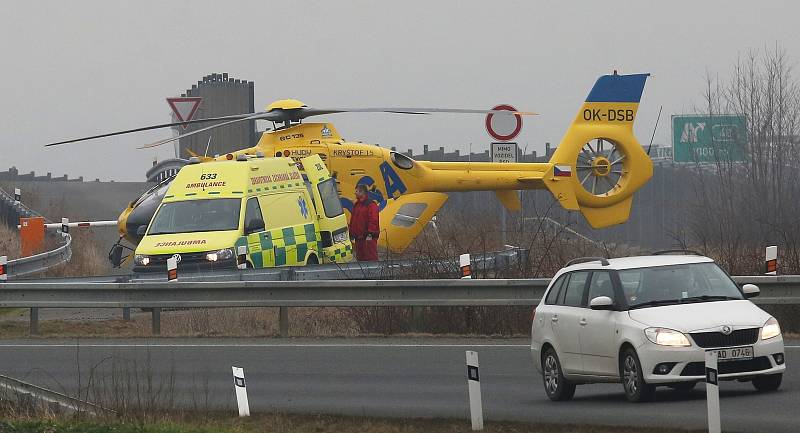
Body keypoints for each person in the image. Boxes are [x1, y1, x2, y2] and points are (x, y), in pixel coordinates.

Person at [349, 184, 379, 261]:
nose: (355, 193)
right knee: (360, 259)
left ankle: (374, 272)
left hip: (368, 238)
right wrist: (351, 233)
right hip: (359, 238)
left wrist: (370, 233)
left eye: (357, 191)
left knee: (370, 258)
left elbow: (373, 220)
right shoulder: (357, 205)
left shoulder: (371, 205)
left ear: (362, 192)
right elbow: (353, 220)